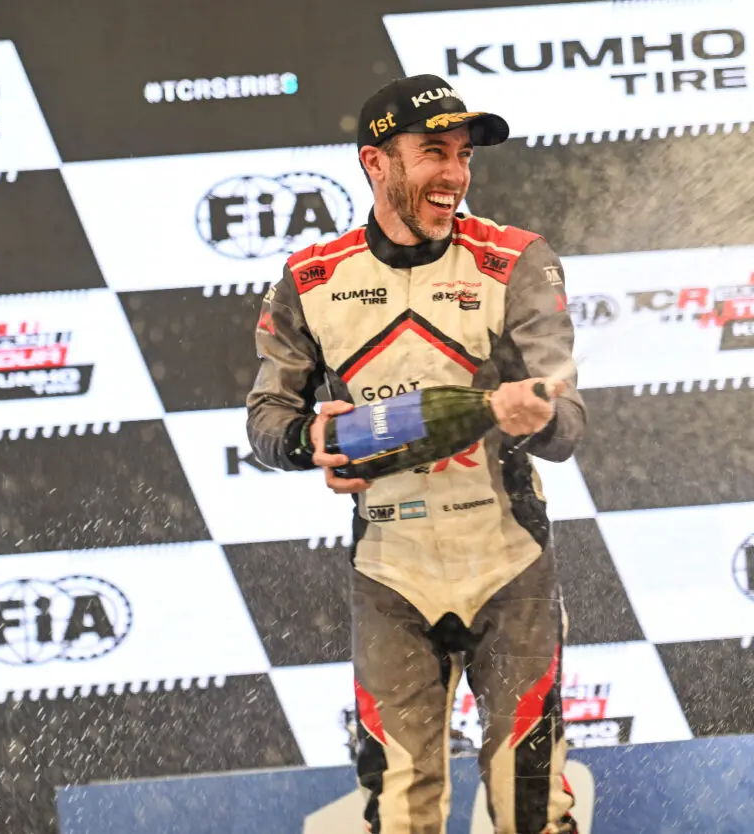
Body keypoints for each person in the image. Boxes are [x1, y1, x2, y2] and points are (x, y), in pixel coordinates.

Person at [246, 73, 586, 834]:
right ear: (376, 162)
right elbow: (266, 419)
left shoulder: (516, 259)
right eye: (434, 152)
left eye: (464, 155)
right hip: (390, 575)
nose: (455, 174)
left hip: (509, 567)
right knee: (399, 815)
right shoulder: (311, 278)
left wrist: (533, 415)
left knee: (532, 809)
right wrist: (312, 440)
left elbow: (568, 429)